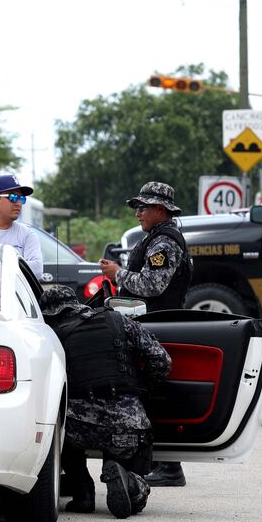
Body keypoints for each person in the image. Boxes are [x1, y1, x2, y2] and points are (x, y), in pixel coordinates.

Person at [41, 285, 172, 518]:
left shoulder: (49, 337)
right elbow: (162, 361)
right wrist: (141, 391)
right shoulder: (118, 321)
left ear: (50, 313)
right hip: (127, 425)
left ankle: (83, 493)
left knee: (57, 431)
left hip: (75, 429)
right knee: (132, 448)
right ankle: (130, 481)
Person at [99, 181, 191, 488]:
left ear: (160, 210)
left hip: (158, 327)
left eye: (143, 207)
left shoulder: (165, 242)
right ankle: (157, 462)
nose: (138, 213)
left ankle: (169, 467)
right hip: (149, 326)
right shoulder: (155, 238)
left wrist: (118, 274)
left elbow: (153, 286)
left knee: (153, 395)